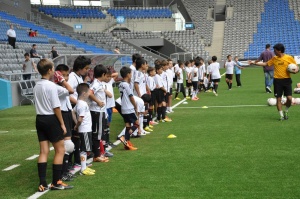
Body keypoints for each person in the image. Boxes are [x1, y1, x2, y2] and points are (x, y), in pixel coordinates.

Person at [33, 58, 73, 191]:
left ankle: (42, 182)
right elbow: (56, 107)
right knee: (60, 150)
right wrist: (62, 124)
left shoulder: (37, 85)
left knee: (43, 151)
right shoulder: (51, 86)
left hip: (40, 119)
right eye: (53, 68)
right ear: (50, 70)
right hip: (51, 119)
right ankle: (56, 182)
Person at [250, 43, 297, 121]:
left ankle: (286, 110)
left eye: (275, 50)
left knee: (289, 98)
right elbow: (265, 63)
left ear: (279, 51)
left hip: (287, 80)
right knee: (278, 99)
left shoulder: (289, 58)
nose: (274, 52)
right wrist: (254, 63)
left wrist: (296, 71)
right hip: (277, 81)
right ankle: (281, 115)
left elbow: (296, 67)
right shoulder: (274, 58)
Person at [67, 55, 91, 169]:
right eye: (86, 68)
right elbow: (68, 94)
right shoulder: (72, 77)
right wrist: (79, 103)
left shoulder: (79, 77)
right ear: (80, 67)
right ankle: (73, 162)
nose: (87, 71)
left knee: (78, 138)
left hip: (77, 108)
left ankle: (78, 160)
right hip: (73, 109)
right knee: (74, 137)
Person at [54, 64, 76, 181]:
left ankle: (66, 169)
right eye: (63, 75)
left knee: (69, 145)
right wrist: (62, 80)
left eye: (67, 75)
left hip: (67, 112)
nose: (66, 78)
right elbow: (70, 90)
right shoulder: (58, 88)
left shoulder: (62, 88)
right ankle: (63, 172)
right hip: (61, 113)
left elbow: (68, 101)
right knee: (66, 145)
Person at [89, 64, 111, 162]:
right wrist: (98, 101)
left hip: (99, 111)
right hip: (97, 111)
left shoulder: (99, 83)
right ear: (102, 74)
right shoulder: (96, 84)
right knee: (97, 134)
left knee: (99, 133)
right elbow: (90, 93)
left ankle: (98, 153)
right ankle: (96, 155)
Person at [73, 83, 96, 175]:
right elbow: (80, 118)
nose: (89, 94)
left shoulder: (78, 102)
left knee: (85, 148)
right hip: (85, 129)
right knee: (85, 149)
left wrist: (76, 124)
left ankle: (84, 167)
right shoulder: (83, 104)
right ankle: (83, 169)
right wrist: (77, 125)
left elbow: (72, 112)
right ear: (84, 93)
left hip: (85, 128)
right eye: (88, 92)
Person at [118, 67, 138, 150]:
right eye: (130, 73)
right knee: (137, 124)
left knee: (128, 125)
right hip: (129, 108)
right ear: (127, 75)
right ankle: (124, 137)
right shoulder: (126, 85)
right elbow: (131, 97)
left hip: (123, 108)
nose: (131, 75)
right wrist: (135, 106)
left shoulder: (120, 84)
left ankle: (127, 143)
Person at [104, 69, 119, 150]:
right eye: (107, 76)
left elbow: (116, 74)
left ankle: (107, 140)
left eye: (110, 77)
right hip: (105, 107)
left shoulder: (110, 82)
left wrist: (110, 74)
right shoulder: (102, 84)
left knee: (108, 123)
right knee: (105, 124)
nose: (109, 78)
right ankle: (105, 141)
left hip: (110, 106)